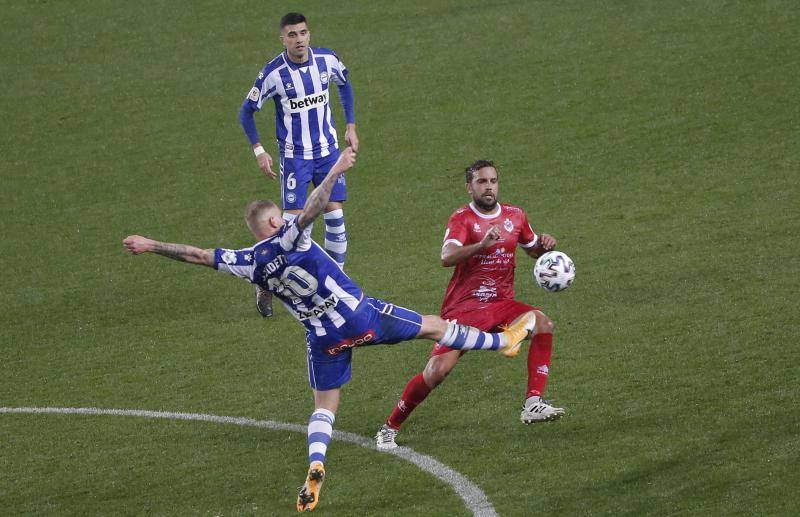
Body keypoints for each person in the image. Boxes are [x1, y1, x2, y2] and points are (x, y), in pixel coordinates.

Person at [123, 149, 536, 513]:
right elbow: (314, 207)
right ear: (272, 219)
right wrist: (337, 167)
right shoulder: (288, 237)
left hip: (323, 339)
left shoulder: (247, 260)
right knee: (436, 327)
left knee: (325, 406)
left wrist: (151, 243)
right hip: (358, 315)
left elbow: (197, 255)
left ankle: (317, 463)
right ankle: (504, 340)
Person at [374, 160, 566, 451]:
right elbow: (446, 256)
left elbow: (532, 248)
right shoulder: (462, 219)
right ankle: (390, 427)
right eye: (481, 182)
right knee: (436, 372)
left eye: (493, 181)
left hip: (501, 304)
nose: (488, 187)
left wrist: (545, 246)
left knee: (543, 324)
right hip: (464, 310)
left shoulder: (516, 216)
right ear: (470, 186)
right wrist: (481, 245)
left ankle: (533, 403)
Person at [239, 12, 359, 318]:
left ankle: (333, 286)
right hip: (295, 158)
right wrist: (259, 151)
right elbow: (246, 111)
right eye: (292, 35)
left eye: (303, 33)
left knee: (336, 217)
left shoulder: (327, 60)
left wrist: (350, 125)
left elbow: (344, 84)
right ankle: (265, 281)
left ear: (309, 34)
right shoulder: (274, 73)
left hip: (328, 153)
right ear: (283, 39)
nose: (299, 39)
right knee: (291, 229)